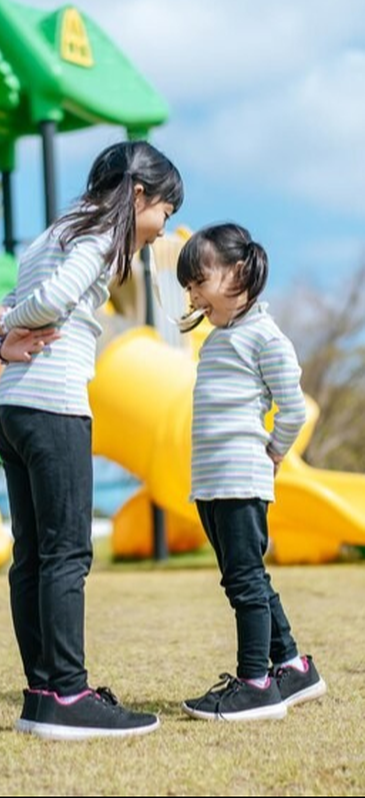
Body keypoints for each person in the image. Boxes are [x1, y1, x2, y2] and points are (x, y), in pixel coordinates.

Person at [0, 140, 184, 740]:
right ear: (138, 194)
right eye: (163, 213)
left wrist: (1, 338)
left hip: (11, 407)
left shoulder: (51, 235)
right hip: (54, 407)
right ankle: (68, 694)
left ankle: (42, 692)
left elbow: (9, 312)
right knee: (67, 554)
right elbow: (47, 303)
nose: (160, 228)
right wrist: (10, 325)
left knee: (33, 556)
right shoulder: (98, 239)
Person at [176, 222, 327, 722]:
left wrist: (275, 453)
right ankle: (292, 666)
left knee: (244, 581)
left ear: (238, 273)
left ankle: (254, 683)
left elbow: (293, 409)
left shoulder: (265, 335)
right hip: (212, 482)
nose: (194, 293)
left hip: (243, 479)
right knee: (244, 578)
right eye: (190, 285)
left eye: (200, 279)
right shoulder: (217, 339)